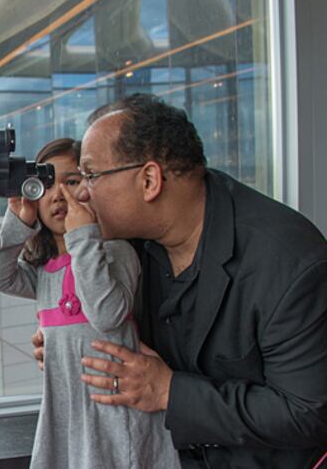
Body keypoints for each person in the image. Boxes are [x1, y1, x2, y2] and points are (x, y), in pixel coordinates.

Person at [31, 93, 327, 468]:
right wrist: (72, 340)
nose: (81, 193)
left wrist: (169, 392)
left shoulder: (287, 261)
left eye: (90, 175)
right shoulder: (125, 246)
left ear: (150, 180)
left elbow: (307, 413)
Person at [0, 137, 180, 468]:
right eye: (45, 185)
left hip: (115, 415)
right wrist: (19, 222)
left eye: (71, 182)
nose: (59, 194)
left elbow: (106, 315)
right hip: (67, 417)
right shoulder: (44, 272)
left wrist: (83, 238)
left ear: (91, 189)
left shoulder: (116, 253)